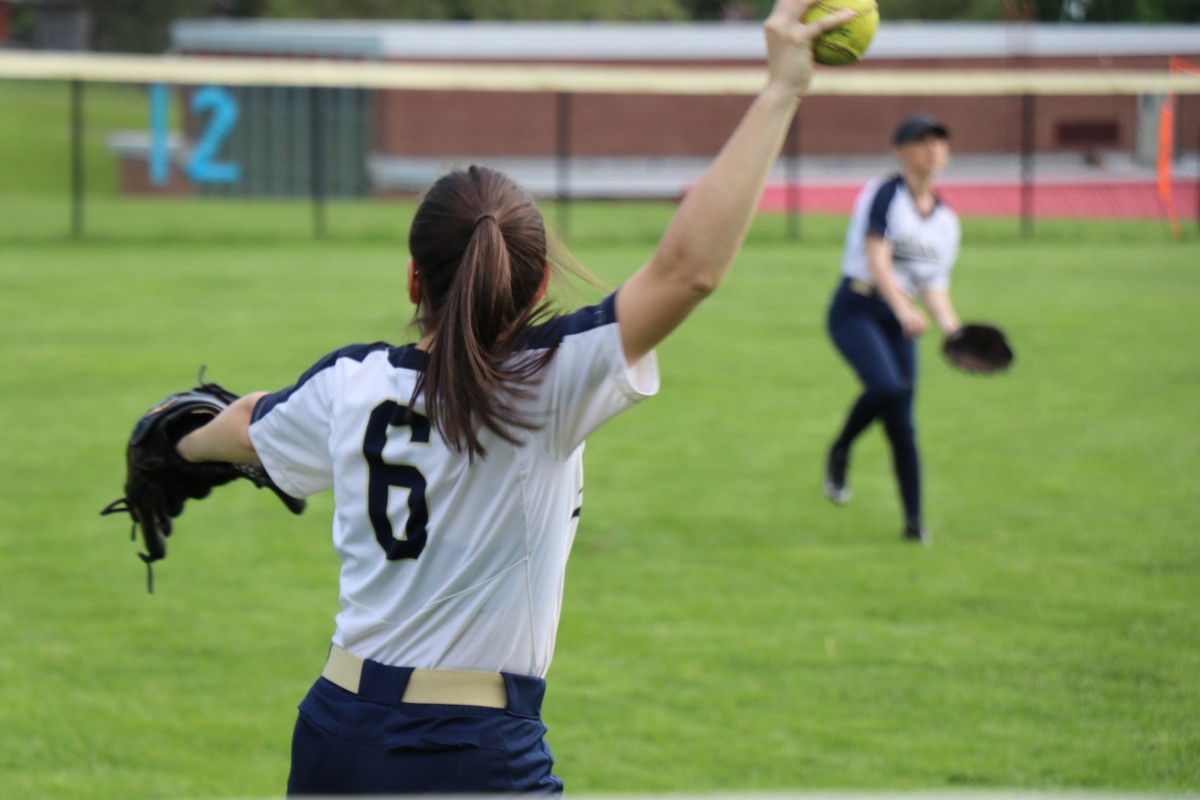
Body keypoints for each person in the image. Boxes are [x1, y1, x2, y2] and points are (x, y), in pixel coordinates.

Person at [172, 1, 857, 795]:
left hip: (335, 736)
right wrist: (781, 91)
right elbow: (687, 272)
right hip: (474, 750)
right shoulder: (547, 381)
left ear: (413, 280)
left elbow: (249, 426)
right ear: (534, 283)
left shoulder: (348, 383)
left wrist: (176, 443)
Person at [821, 112, 962, 545]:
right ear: (899, 151)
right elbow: (877, 258)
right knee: (884, 386)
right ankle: (840, 448)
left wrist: (954, 330)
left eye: (938, 141)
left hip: (902, 320)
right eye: (920, 141)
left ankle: (914, 524)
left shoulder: (946, 222)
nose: (932, 149)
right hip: (857, 308)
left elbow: (933, 286)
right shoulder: (884, 193)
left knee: (903, 423)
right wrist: (902, 307)